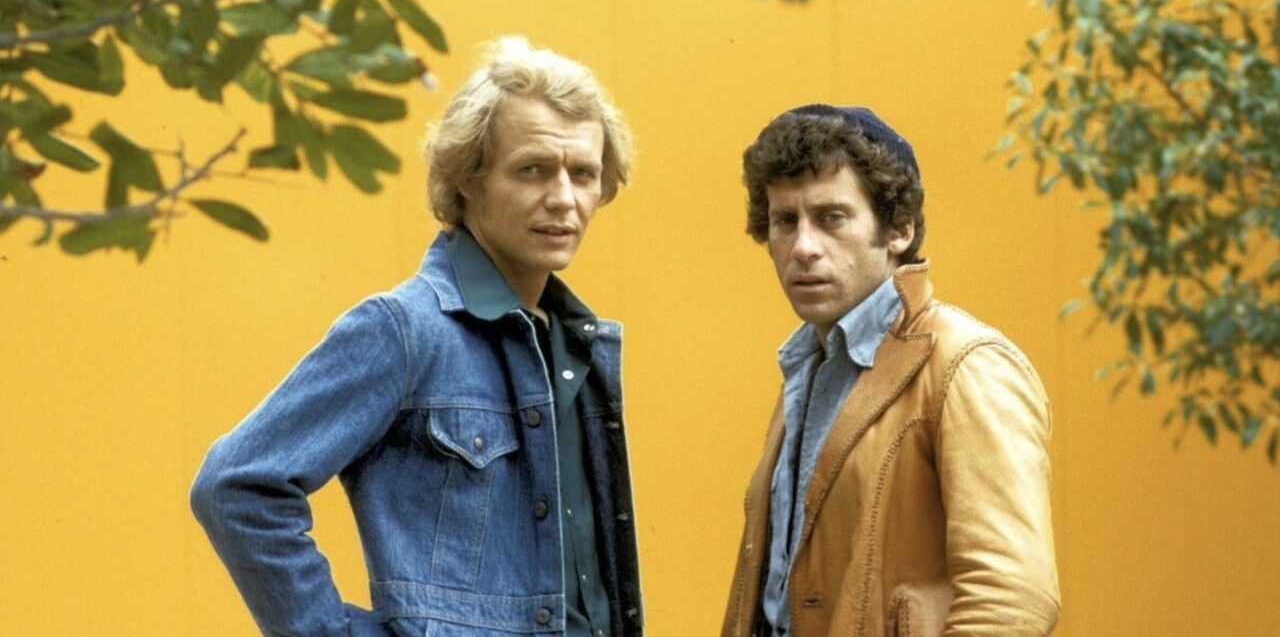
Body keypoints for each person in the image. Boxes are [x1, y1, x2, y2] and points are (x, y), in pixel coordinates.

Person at [191, 37, 642, 637]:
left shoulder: (576, 345)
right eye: (532, 169)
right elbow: (237, 485)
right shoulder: (405, 329)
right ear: (468, 178)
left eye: (583, 173)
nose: (563, 199)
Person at [720, 104, 1059, 637]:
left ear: (899, 229)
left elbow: (1011, 600)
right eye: (785, 221)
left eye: (831, 218)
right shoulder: (807, 367)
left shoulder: (965, 364)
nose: (803, 247)